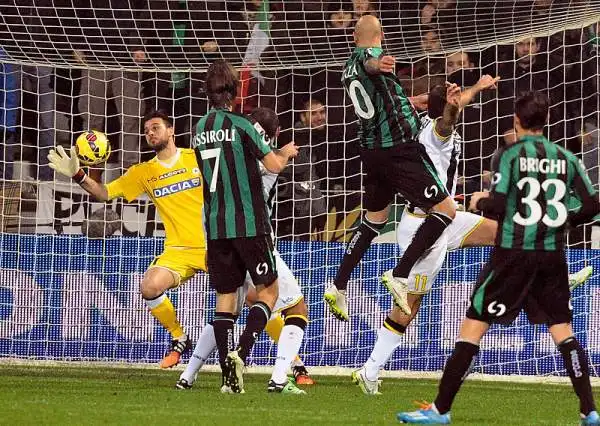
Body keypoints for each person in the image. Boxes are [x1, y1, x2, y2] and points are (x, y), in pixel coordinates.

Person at [351, 79, 593, 394]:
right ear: (444, 110)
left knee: (505, 232)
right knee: (409, 305)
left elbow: (450, 108)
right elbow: (448, 118)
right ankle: (370, 370)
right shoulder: (438, 131)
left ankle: (547, 278)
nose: (459, 103)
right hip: (426, 227)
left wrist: (476, 87)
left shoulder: (425, 124)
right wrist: (456, 104)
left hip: (447, 218)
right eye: (453, 101)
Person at [47, 110, 203, 369]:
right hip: (179, 250)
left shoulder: (196, 158)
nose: (150, 133)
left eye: (155, 127)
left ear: (171, 130)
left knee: (256, 296)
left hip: (216, 244)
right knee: (149, 286)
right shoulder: (142, 172)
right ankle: (179, 337)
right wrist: (79, 175)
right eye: (146, 130)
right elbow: (104, 193)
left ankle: (294, 363)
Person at [325, 15, 457, 320]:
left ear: (354, 35)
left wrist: (409, 100)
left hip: (371, 150)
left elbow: (376, 91)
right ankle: (400, 275)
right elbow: (372, 62)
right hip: (397, 149)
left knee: (374, 220)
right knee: (445, 210)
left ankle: (338, 284)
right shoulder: (370, 57)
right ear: (380, 34)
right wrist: (379, 62)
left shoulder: (347, 67)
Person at [177, 107, 311, 394]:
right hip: (255, 237)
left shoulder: (224, 150)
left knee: (228, 306)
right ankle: (276, 377)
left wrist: (207, 242)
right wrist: (285, 153)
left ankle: (188, 375)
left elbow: (206, 203)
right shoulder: (259, 155)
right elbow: (271, 165)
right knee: (295, 308)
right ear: (272, 134)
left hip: (220, 234)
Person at [194, 59, 298, 394]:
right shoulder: (242, 124)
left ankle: (228, 377)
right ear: (236, 91)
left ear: (207, 91)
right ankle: (243, 351)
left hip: (216, 224)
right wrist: (284, 153)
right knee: (269, 292)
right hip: (250, 222)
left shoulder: (198, 128)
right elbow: (271, 164)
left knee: (226, 298)